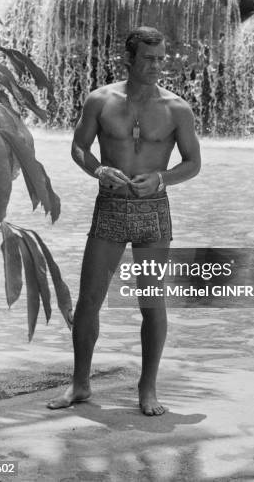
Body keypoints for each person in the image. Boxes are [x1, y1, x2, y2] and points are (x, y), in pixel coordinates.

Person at [47, 26, 201, 416]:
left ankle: (147, 389)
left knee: (152, 302)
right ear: (128, 60)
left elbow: (193, 163)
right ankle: (80, 384)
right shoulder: (101, 100)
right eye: (148, 59)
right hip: (111, 209)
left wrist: (162, 178)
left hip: (154, 213)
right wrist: (98, 170)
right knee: (90, 300)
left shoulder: (177, 108)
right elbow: (79, 147)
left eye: (161, 58)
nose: (156, 66)